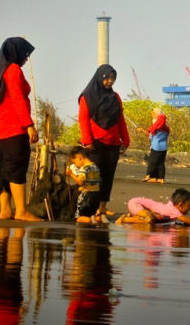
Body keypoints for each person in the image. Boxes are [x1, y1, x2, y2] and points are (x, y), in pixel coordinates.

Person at [0, 37, 42, 222]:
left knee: (4, 169)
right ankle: (21, 211)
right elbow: (18, 99)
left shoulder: (0, 70)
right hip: (12, 127)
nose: (26, 58)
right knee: (17, 168)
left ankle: (5, 210)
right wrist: (29, 125)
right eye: (25, 54)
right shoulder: (13, 70)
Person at [78, 64, 130, 219]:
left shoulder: (115, 97)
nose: (110, 81)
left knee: (108, 176)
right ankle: (91, 207)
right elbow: (83, 120)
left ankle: (102, 207)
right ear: (100, 78)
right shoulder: (87, 97)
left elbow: (120, 119)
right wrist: (87, 141)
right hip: (95, 143)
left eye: (113, 78)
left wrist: (125, 139)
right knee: (94, 177)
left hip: (113, 143)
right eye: (107, 78)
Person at [115, 188, 190, 227]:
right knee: (149, 219)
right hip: (136, 203)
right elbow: (188, 220)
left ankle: (128, 218)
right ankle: (124, 220)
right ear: (180, 205)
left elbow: (185, 223)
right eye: (189, 205)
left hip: (140, 207)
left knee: (154, 219)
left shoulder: (171, 209)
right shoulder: (173, 210)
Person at [65, 145, 102, 223]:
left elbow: (80, 182)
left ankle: (91, 220)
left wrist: (71, 174)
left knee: (79, 218)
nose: (75, 165)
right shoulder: (95, 166)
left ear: (79, 157)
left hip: (86, 196)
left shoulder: (84, 168)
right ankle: (99, 219)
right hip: (96, 195)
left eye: (74, 162)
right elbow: (96, 182)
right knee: (90, 214)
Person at [140, 107, 169, 183]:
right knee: (160, 163)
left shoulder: (155, 129)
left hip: (156, 147)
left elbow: (150, 137)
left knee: (152, 162)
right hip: (164, 147)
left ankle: (148, 176)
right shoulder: (166, 129)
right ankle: (160, 178)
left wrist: (142, 131)